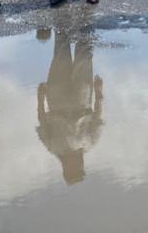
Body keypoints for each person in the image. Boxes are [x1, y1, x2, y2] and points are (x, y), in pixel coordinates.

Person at [36, 27, 105, 185]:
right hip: (82, 101)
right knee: (84, 56)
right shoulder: (90, 143)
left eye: (75, 169)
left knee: (60, 54)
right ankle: (85, 23)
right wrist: (99, 93)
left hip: (57, 100)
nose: (79, 165)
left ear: (65, 168)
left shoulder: (53, 147)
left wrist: (40, 98)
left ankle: (61, 23)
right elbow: (98, 118)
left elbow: (42, 121)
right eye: (80, 168)